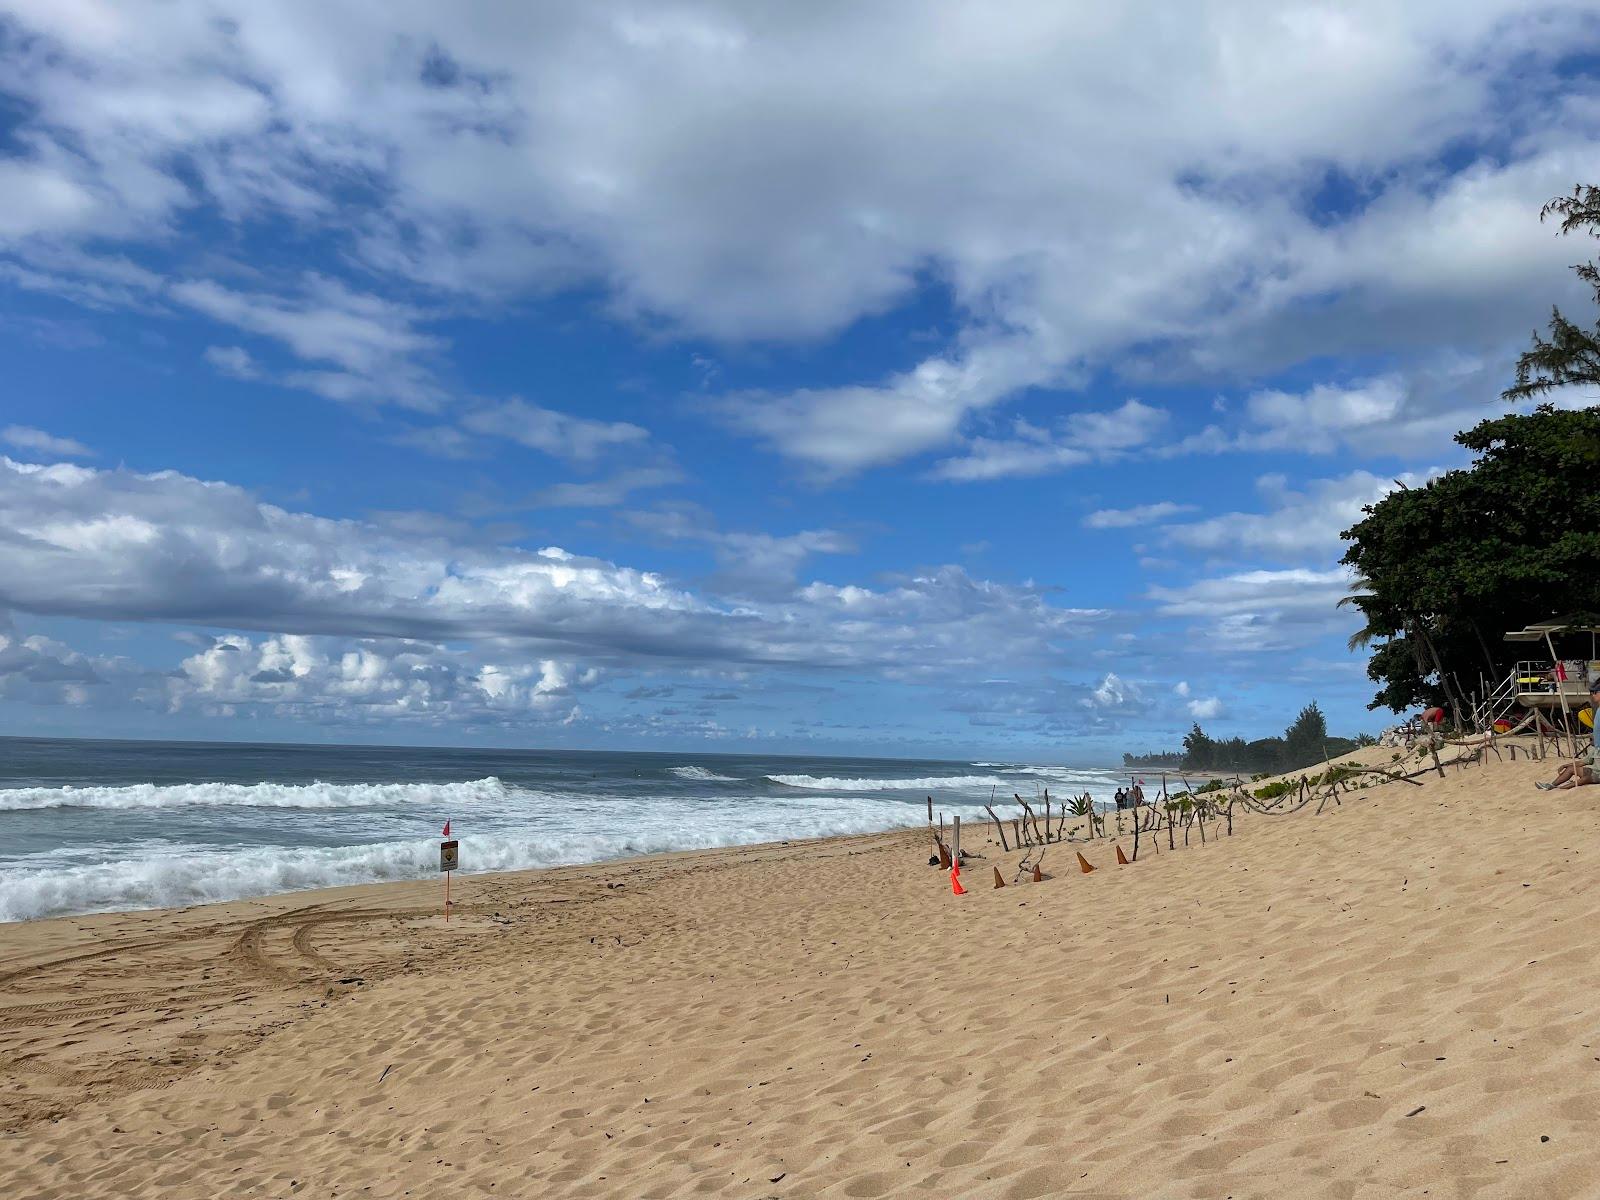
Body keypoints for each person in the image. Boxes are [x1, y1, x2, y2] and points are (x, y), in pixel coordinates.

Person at [1537, 681, 1600, 789]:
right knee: (1571, 769)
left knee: (1585, 779)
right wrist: (1567, 765)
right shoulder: (1596, 749)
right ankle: (1551, 786)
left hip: (1597, 774)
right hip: (1594, 766)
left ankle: (1563, 788)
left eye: (1594, 692)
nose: (1592, 695)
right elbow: (1584, 761)